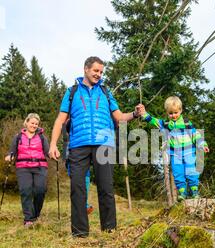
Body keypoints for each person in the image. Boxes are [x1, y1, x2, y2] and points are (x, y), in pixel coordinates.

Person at [49, 56, 143, 238]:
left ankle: (109, 230)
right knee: (77, 189)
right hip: (78, 146)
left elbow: (119, 117)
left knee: (106, 188)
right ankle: (80, 233)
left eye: (101, 72)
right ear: (86, 69)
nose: (99, 75)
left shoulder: (106, 93)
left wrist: (134, 113)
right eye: (96, 71)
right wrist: (53, 143)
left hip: (104, 145)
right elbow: (60, 120)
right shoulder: (72, 92)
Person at [140, 96, 209, 201]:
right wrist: (144, 114)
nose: (173, 115)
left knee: (191, 173)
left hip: (189, 153)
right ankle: (182, 193)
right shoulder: (166, 124)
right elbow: (154, 121)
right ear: (167, 113)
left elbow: (196, 135)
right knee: (178, 174)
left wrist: (203, 145)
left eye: (176, 112)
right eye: (170, 113)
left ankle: (194, 192)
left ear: (180, 110)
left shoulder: (186, 123)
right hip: (175, 154)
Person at [4, 113, 49, 227]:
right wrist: (10, 156)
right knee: (25, 190)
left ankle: (35, 214)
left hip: (40, 166)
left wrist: (54, 153)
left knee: (40, 190)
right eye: (32, 123)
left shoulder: (42, 137)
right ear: (27, 122)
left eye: (36, 124)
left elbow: (48, 152)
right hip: (23, 167)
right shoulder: (18, 137)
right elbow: (12, 151)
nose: (34, 125)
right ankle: (28, 219)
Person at [62, 121, 93, 215]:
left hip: (85, 165)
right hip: (73, 165)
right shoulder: (68, 140)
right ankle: (81, 207)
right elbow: (66, 156)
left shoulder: (85, 138)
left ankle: (85, 206)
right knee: (78, 185)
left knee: (86, 184)